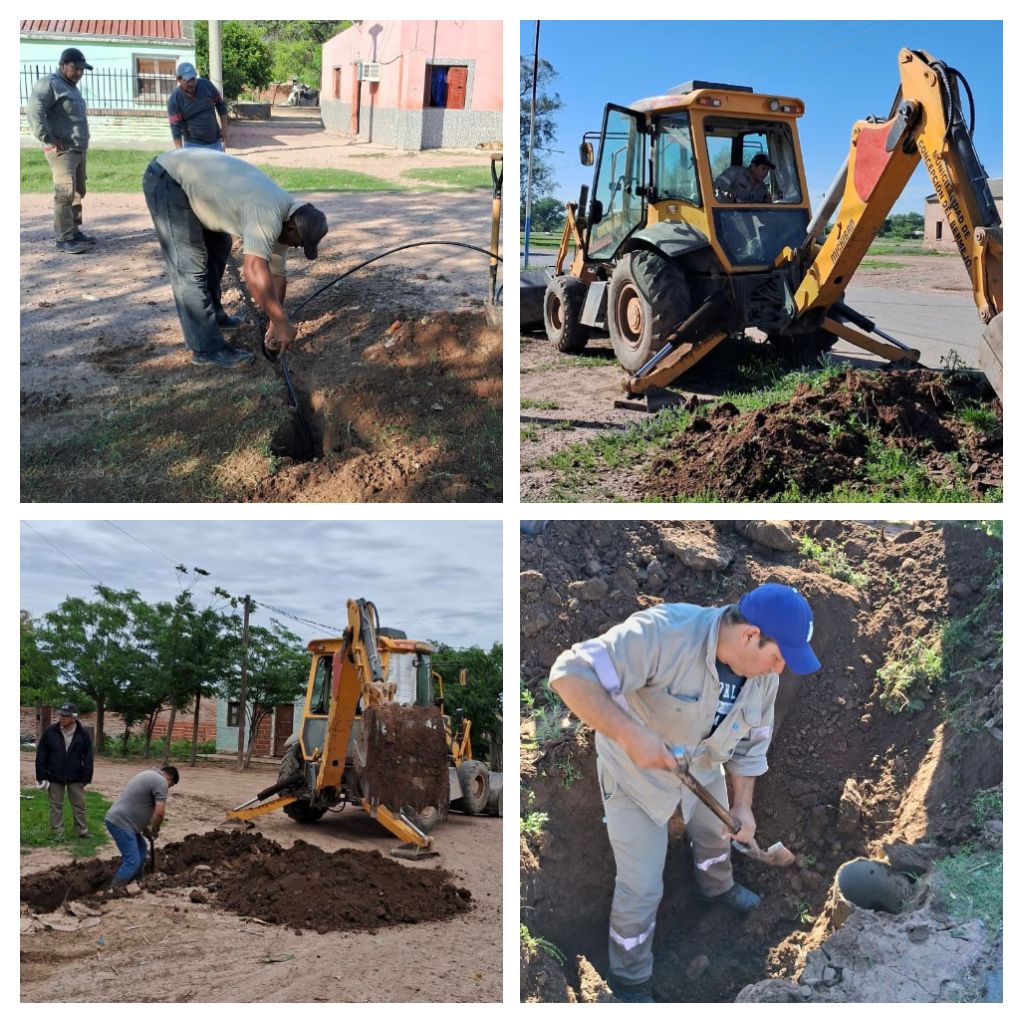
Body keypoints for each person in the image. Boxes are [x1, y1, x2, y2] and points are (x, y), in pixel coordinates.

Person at [548, 582, 820, 1003]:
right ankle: (630, 980)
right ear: (750, 635)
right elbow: (569, 674)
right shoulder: (665, 634)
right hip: (635, 777)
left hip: (704, 766)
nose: (779, 669)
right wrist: (631, 734)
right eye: (778, 656)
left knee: (716, 837)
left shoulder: (761, 679)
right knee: (641, 887)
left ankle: (717, 888)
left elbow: (751, 746)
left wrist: (743, 807)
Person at [142, 148, 328, 367]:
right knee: (189, 266)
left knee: (220, 245)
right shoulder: (268, 212)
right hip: (169, 181)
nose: (296, 247)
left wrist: (274, 323)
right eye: (299, 243)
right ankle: (206, 349)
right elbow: (253, 270)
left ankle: (214, 317)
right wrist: (281, 320)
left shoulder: (289, 219)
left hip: (200, 190)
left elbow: (277, 275)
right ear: (291, 229)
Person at [25, 47, 95, 255]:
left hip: (77, 150)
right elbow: (35, 112)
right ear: (62, 64)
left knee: (77, 192)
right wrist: (49, 138)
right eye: (76, 68)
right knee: (64, 194)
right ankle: (64, 238)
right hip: (62, 151)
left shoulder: (71, 87)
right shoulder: (50, 84)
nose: (80, 73)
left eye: (82, 69)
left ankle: (73, 231)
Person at [103, 765, 179, 889]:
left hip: (123, 821)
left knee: (141, 851)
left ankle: (136, 882)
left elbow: (138, 805)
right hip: (122, 823)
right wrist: (155, 830)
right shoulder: (161, 782)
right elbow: (159, 813)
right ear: (169, 778)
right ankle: (114, 890)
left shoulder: (148, 774)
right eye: (171, 785)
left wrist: (146, 830)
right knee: (132, 861)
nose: (168, 788)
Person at [35, 703, 94, 838]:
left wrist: (87, 777)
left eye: (65, 716)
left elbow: (89, 757)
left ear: (74, 718)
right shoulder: (50, 731)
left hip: (76, 775)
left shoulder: (83, 734)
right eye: (61, 715)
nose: (62, 718)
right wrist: (41, 776)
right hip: (54, 775)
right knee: (56, 806)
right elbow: (41, 755)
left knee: (79, 805)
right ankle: (58, 833)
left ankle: (82, 831)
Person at [167, 62, 228, 151]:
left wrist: (224, 129)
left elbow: (221, 104)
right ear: (179, 79)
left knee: (220, 165)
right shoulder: (174, 100)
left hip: (215, 143)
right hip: (192, 146)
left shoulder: (206, 85)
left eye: (193, 79)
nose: (191, 83)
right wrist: (179, 151)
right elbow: (175, 127)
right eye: (188, 80)